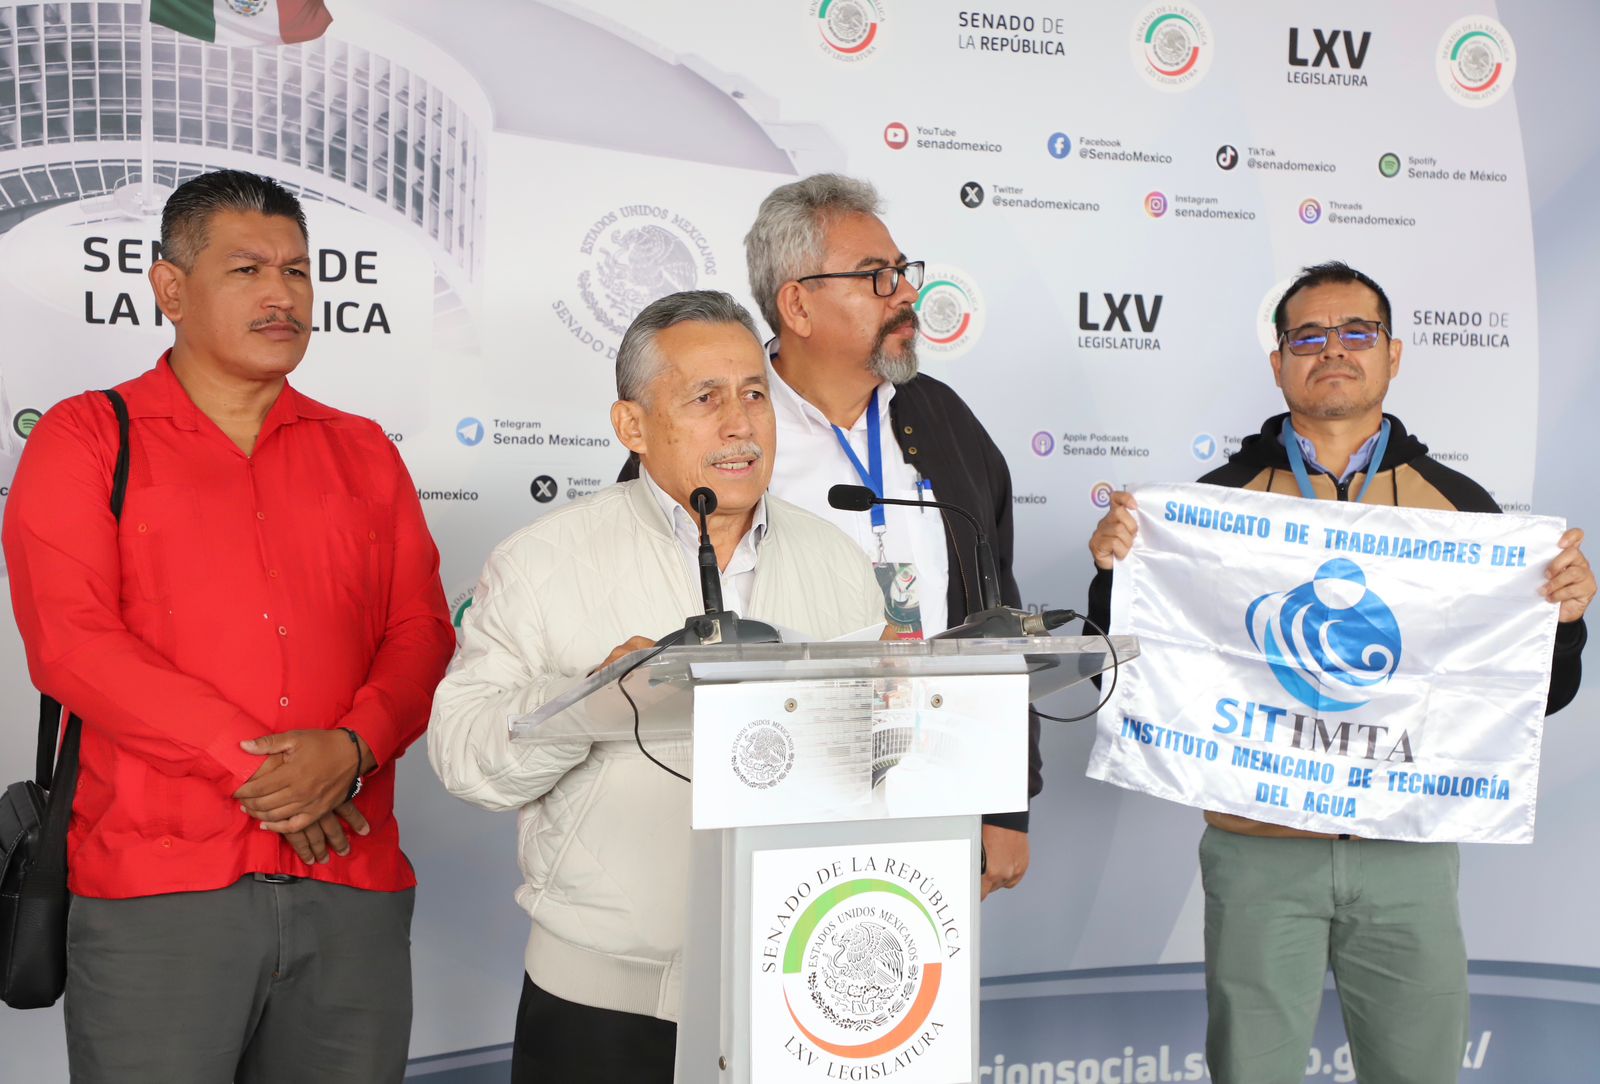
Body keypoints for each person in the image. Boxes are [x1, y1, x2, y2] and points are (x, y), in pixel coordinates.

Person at [1086, 261, 1592, 1084]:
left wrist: (1564, 623)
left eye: (1357, 332)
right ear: (1278, 361)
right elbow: (1129, 666)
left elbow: (1542, 695)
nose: (1333, 350)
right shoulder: (1214, 506)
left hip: (1407, 848)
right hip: (1258, 849)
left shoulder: (1462, 510)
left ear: (1393, 354)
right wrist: (1114, 576)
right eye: (1309, 336)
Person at [2, 169, 454, 1083]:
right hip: (159, 894)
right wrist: (266, 772)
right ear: (170, 289)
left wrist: (353, 750)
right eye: (247, 270)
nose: (281, 294)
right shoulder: (89, 437)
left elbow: (421, 630)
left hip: (351, 883)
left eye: (297, 270)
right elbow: (73, 645)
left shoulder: (363, 450)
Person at [428, 290, 884, 1083]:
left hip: (799, 988)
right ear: (632, 426)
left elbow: (873, 759)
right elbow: (463, 757)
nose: (740, 424)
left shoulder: (836, 560)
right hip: (601, 1008)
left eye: (754, 394)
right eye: (705, 398)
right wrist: (593, 699)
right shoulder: (543, 559)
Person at [747, 173, 1037, 897]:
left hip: (935, 793)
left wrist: (1007, 800)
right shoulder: (724, 426)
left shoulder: (942, 418)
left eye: (904, 271)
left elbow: (998, 613)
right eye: (877, 276)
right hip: (770, 792)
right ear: (797, 304)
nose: (906, 293)